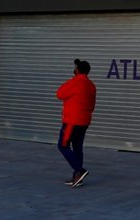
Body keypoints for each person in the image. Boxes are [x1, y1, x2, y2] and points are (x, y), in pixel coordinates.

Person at [56, 59, 97, 188]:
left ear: (77, 70)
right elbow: (92, 105)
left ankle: (79, 170)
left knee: (63, 145)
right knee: (77, 147)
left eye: (75, 67)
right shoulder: (91, 85)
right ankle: (77, 177)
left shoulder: (75, 82)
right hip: (84, 121)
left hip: (72, 121)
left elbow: (60, 93)